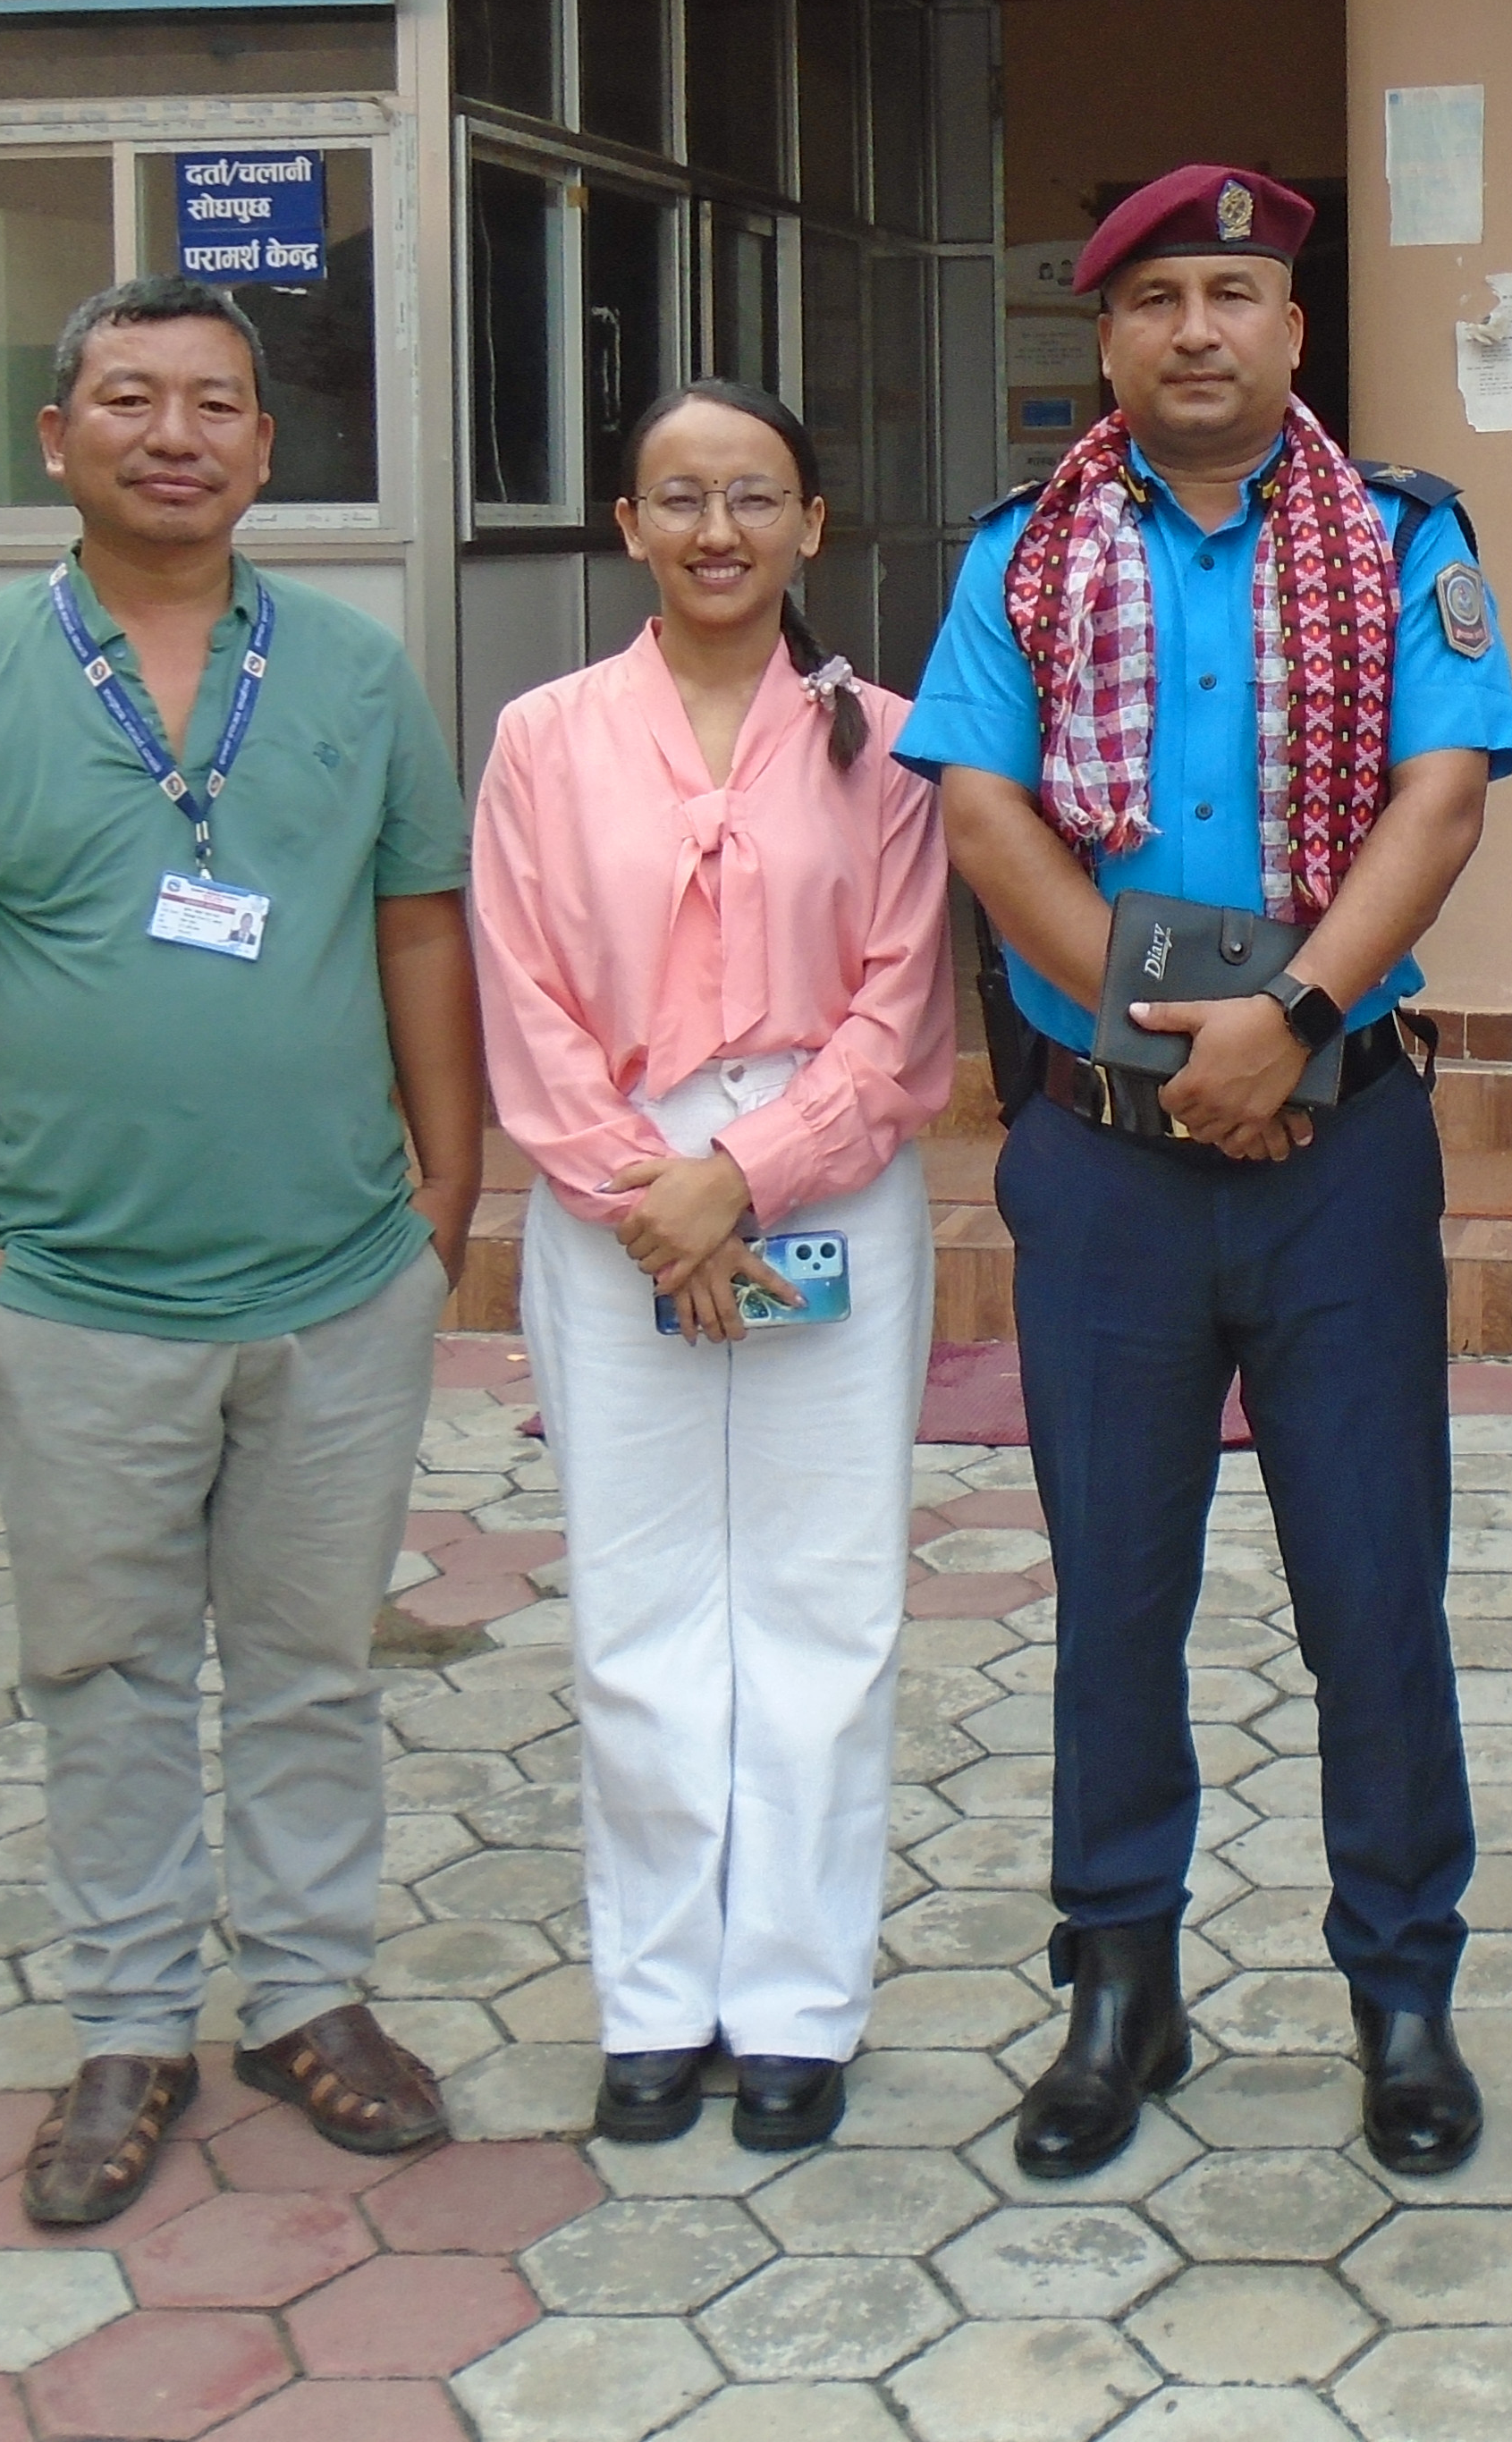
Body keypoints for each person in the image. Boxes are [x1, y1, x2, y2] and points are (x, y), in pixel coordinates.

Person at [897, 163, 1512, 2179]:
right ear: (1102, 336)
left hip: (1339, 1148)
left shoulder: (1408, 539)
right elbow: (986, 823)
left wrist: (1289, 1027)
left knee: (1373, 1590)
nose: (1195, 329)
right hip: (1106, 1163)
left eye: (1234, 292)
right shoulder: (1016, 554)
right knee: (1114, 1592)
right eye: (1156, 295)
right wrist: (1176, 1050)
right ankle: (1119, 1988)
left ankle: (1403, 1994)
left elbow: (1437, 807)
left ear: (1291, 330)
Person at [0, 273, 484, 2227]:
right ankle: (127, 2025)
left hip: (335, 1280)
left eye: (215, 403)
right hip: (75, 1296)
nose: (174, 434)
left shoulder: (361, 674)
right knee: (106, 1670)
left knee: (306, 1660)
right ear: (56, 440)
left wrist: (442, 1203)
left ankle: (308, 1998)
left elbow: (415, 928)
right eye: (127, 398)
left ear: (267, 452)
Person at [469, 380, 955, 2158]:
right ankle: (656, 2000)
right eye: (677, 498)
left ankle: (800, 2006)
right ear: (627, 527)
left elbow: (901, 1003)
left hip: (821, 1183)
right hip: (612, 1196)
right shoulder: (541, 739)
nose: (716, 531)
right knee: (642, 1604)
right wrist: (642, 1195)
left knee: (824, 1603)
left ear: (810, 524)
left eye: (753, 497)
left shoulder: (887, 742)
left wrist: (740, 1179)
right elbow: (518, 995)